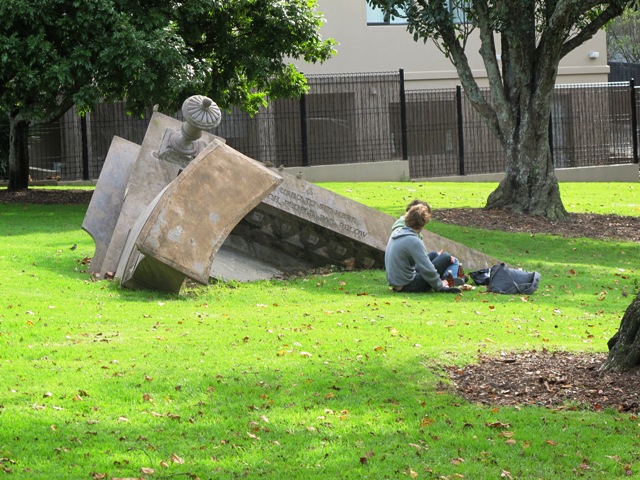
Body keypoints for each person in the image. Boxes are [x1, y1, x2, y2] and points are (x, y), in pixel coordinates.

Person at [385, 204, 462, 293]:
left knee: (433, 254)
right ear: (423, 223)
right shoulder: (413, 240)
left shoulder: (399, 231)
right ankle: (447, 278)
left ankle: (449, 276)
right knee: (446, 256)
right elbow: (427, 269)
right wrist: (440, 285)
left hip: (397, 282)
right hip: (407, 285)